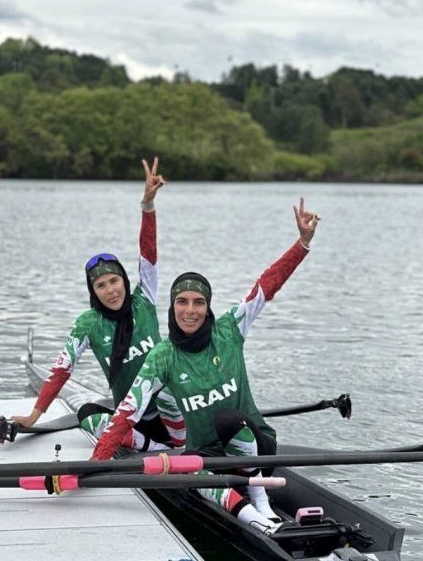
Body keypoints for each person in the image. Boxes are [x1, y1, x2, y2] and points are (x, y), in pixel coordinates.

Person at [91, 197, 319, 534]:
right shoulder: (163, 356)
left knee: (228, 419)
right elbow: (127, 412)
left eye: (199, 302)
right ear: (172, 307)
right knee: (193, 471)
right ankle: (261, 522)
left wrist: (302, 243)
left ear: (208, 307)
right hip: (206, 457)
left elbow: (268, 284)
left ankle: (260, 498)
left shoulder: (229, 329)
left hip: (256, 447)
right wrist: (93, 466)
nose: (190, 310)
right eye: (181, 302)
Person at [11, 158, 183, 452]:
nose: (110, 290)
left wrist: (147, 206)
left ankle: (182, 444)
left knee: (168, 392)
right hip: (132, 420)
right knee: (87, 414)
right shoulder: (88, 323)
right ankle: (156, 450)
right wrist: (33, 416)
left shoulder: (145, 299)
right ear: (93, 291)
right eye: (100, 286)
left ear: (125, 282)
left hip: (171, 411)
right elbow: (61, 372)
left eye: (114, 282)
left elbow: (149, 252)